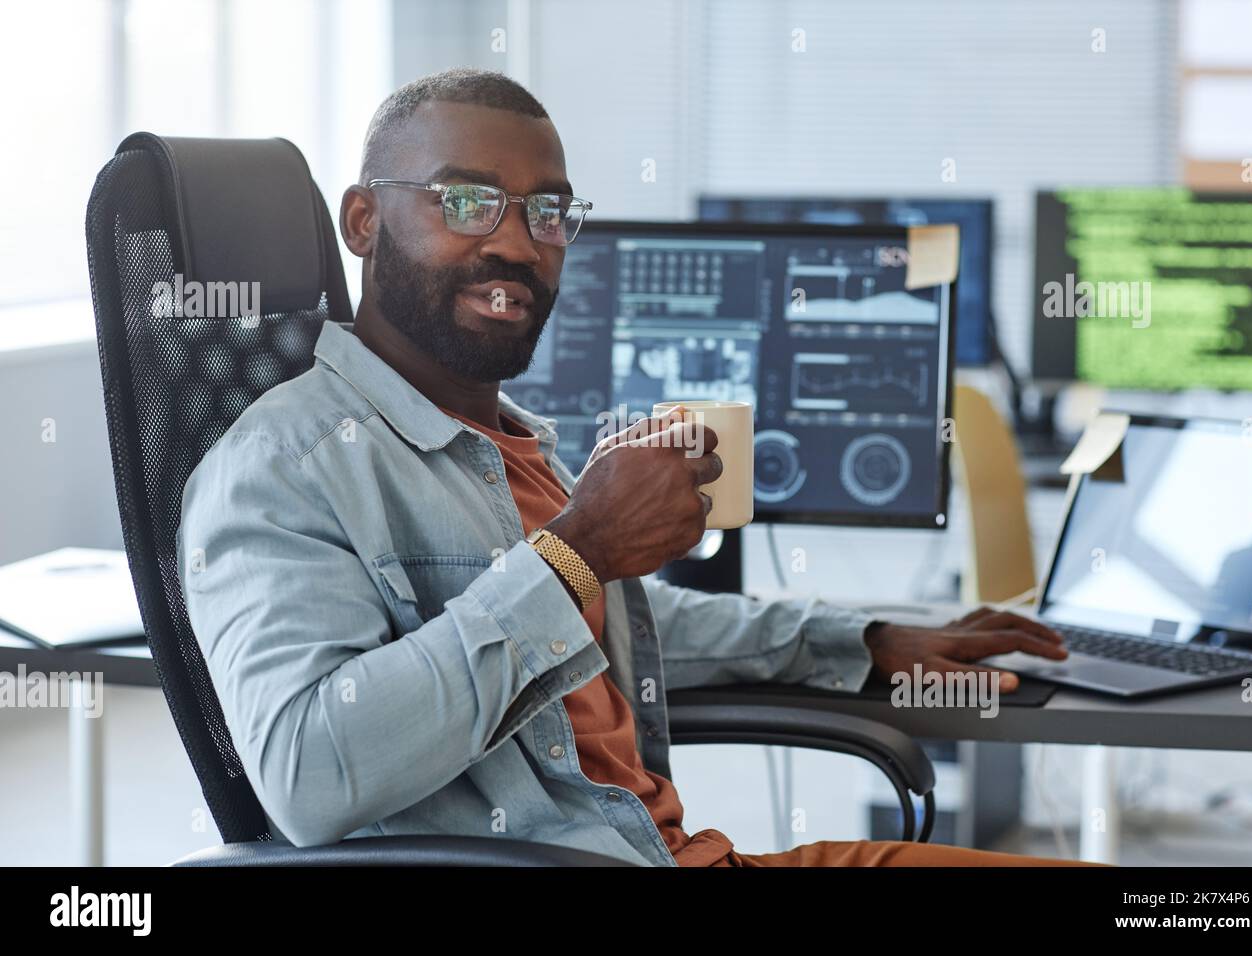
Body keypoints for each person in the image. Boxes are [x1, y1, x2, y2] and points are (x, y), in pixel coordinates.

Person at [177, 68, 1089, 867]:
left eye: (547, 213)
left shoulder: (500, 444)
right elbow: (310, 776)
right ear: (364, 221)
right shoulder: (278, 467)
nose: (517, 244)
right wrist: (576, 552)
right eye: (466, 202)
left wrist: (861, 640)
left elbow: (613, 624)